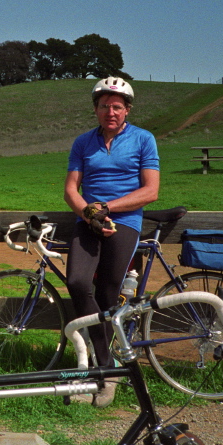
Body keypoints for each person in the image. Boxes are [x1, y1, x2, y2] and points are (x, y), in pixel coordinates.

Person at [63, 77, 160, 407]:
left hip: (125, 221)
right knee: (77, 282)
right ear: (95, 109)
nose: (110, 111)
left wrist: (109, 208)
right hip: (88, 221)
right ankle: (106, 364)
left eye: (117, 106)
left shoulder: (143, 139)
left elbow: (151, 190)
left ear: (127, 110)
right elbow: (71, 190)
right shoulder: (83, 143)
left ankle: (104, 373)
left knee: (107, 291)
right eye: (104, 105)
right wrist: (90, 214)